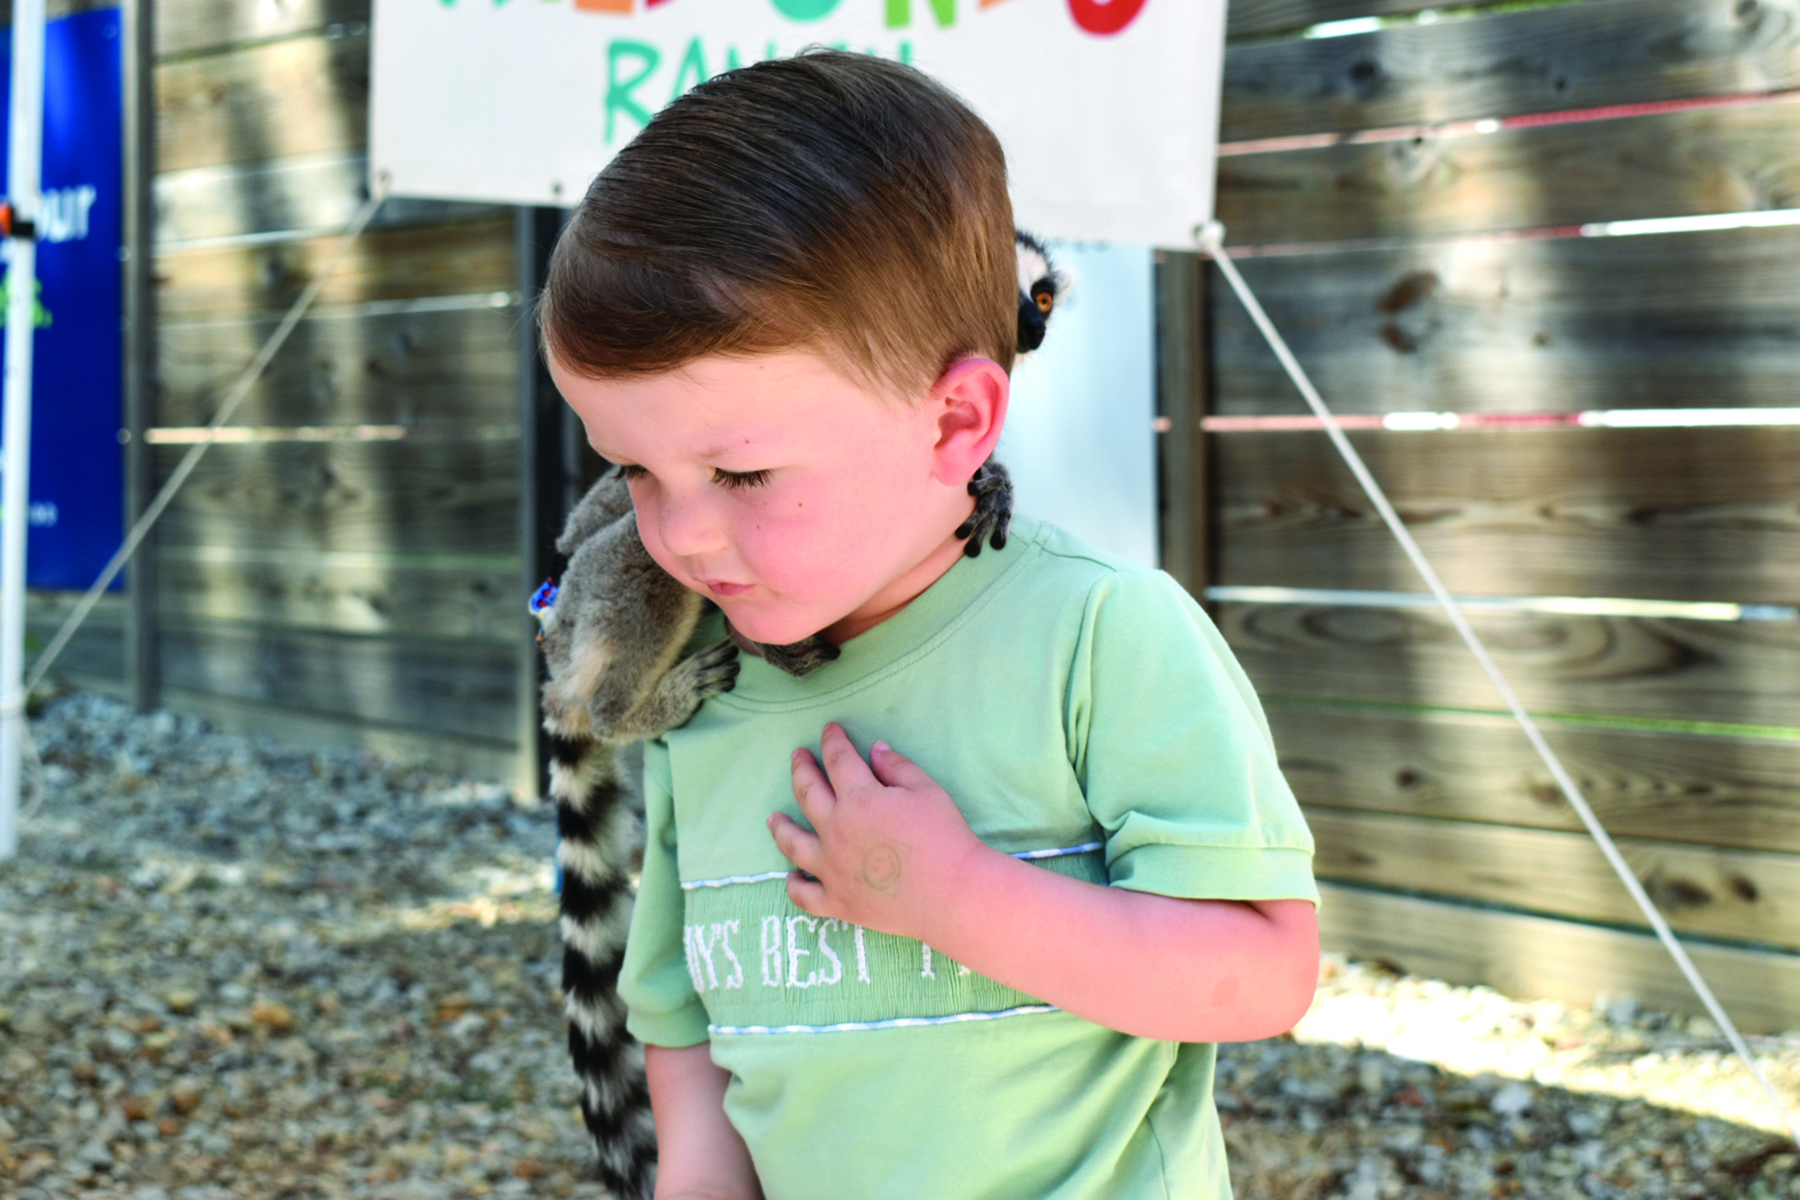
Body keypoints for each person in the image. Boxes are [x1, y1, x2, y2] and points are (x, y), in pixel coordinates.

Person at [537, 48, 1319, 1200]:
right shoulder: (701, 686)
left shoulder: (1101, 636)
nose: (682, 537)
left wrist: (954, 896)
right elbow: (687, 1031)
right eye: (634, 474)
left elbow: (1262, 974)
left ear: (955, 420)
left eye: (741, 474)